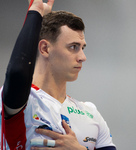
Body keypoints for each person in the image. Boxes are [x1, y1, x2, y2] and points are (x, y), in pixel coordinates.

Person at [0, 0, 116, 150]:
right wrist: (35, 12)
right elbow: (18, 73)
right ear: (45, 49)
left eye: (82, 48)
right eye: (73, 47)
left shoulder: (91, 113)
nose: (82, 57)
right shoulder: (24, 101)